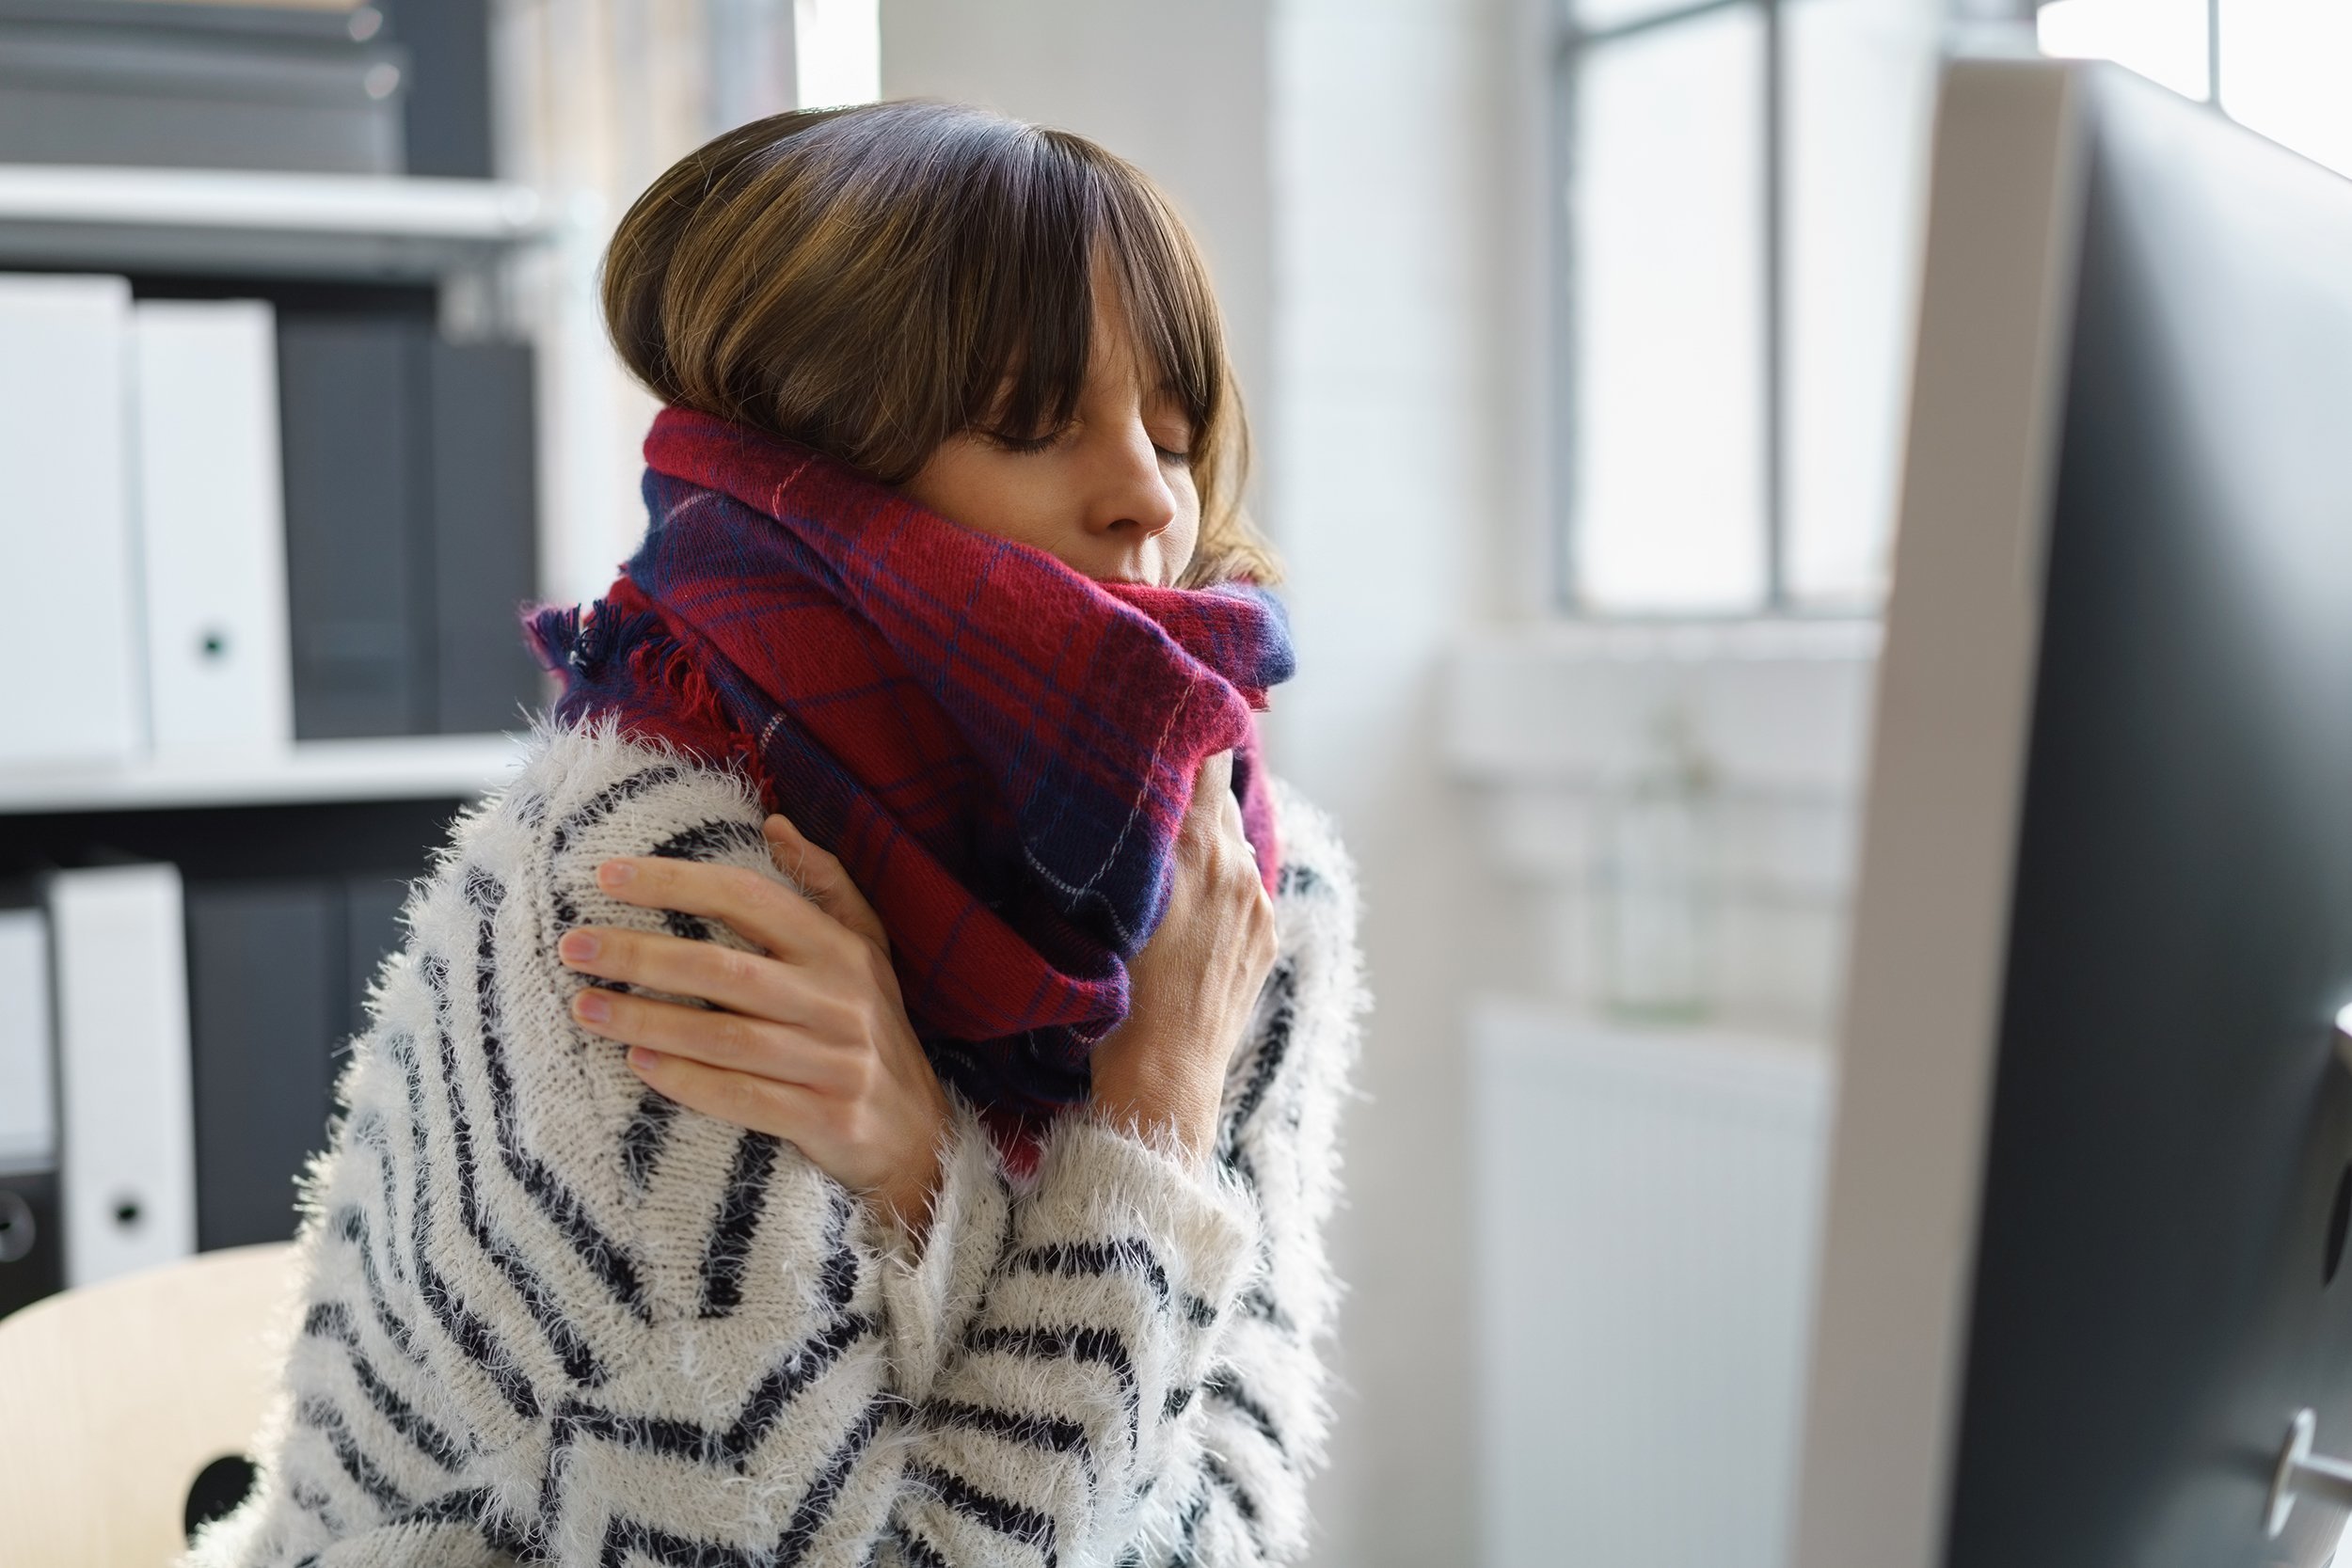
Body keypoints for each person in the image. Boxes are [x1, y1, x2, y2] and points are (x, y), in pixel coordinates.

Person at [187, 101, 1363, 1568]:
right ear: (823, 471)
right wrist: (1151, 1135)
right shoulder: (657, 887)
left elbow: (1232, 1526)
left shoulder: (1236, 892)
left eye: (1175, 435)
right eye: (1029, 425)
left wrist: (939, 1173)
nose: (1148, 498)